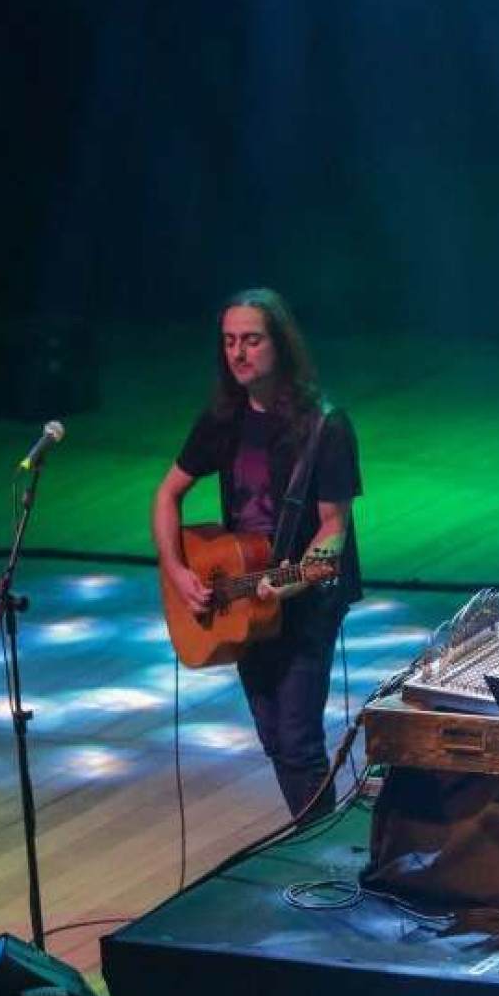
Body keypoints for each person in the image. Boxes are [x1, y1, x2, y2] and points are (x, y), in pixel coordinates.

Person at [152, 288, 363, 818]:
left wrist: (293, 579)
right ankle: (311, 839)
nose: (238, 354)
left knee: (296, 741)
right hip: (244, 597)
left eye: (251, 340)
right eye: (228, 342)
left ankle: (319, 860)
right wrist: (178, 572)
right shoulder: (223, 419)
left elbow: (334, 530)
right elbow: (166, 495)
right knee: (272, 736)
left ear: (280, 345)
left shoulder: (325, 426)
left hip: (306, 599)